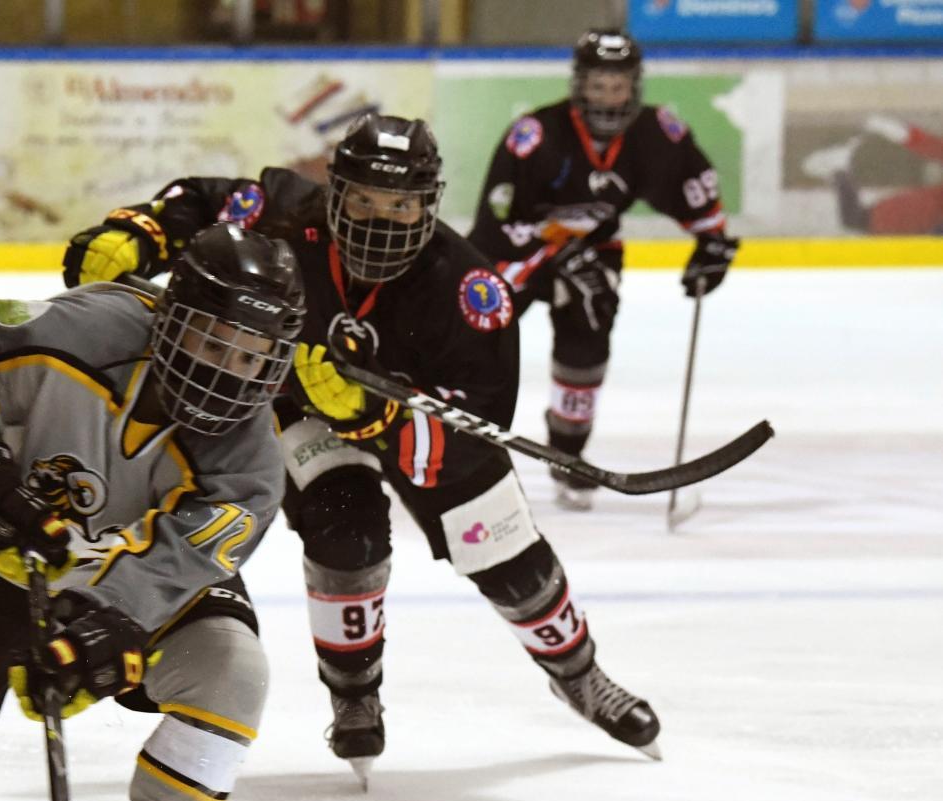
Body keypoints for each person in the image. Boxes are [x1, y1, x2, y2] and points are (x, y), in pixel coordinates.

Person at [61, 114, 662, 782]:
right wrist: (140, 230)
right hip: (303, 409)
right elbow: (205, 206)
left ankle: (579, 673)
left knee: (509, 561)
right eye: (367, 201)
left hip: (417, 427)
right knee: (346, 536)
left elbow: (476, 430)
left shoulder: (471, 291)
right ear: (336, 192)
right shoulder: (288, 218)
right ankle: (354, 694)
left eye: (401, 204)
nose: (382, 220)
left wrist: (377, 414)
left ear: (428, 204)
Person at [0, 223, 304, 801]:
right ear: (171, 318)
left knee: (231, 673)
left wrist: (113, 617)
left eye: (252, 357)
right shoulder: (83, 331)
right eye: (214, 341)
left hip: (109, 580)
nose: (226, 372)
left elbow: (184, 562)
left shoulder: (251, 463)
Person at [467, 27, 741, 510]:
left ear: (634, 86)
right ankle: (452, 438)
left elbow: (694, 183)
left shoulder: (655, 133)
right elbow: (497, 222)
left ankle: (568, 452)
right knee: (474, 333)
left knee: (592, 315)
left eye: (617, 86)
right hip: (518, 248)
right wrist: (553, 251)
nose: (608, 98)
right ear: (579, 85)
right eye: (598, 85)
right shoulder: (536, 137)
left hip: (594, 248)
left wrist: (712, 242)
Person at [802, 114, 943, 235]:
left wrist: (890, 128)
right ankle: (838, 169)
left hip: (923, 218)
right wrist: (890, 128)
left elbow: (932, 146)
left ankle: (838, 171)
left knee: (856, 220)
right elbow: (932, 146)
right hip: (922, 216)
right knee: (856, 220)